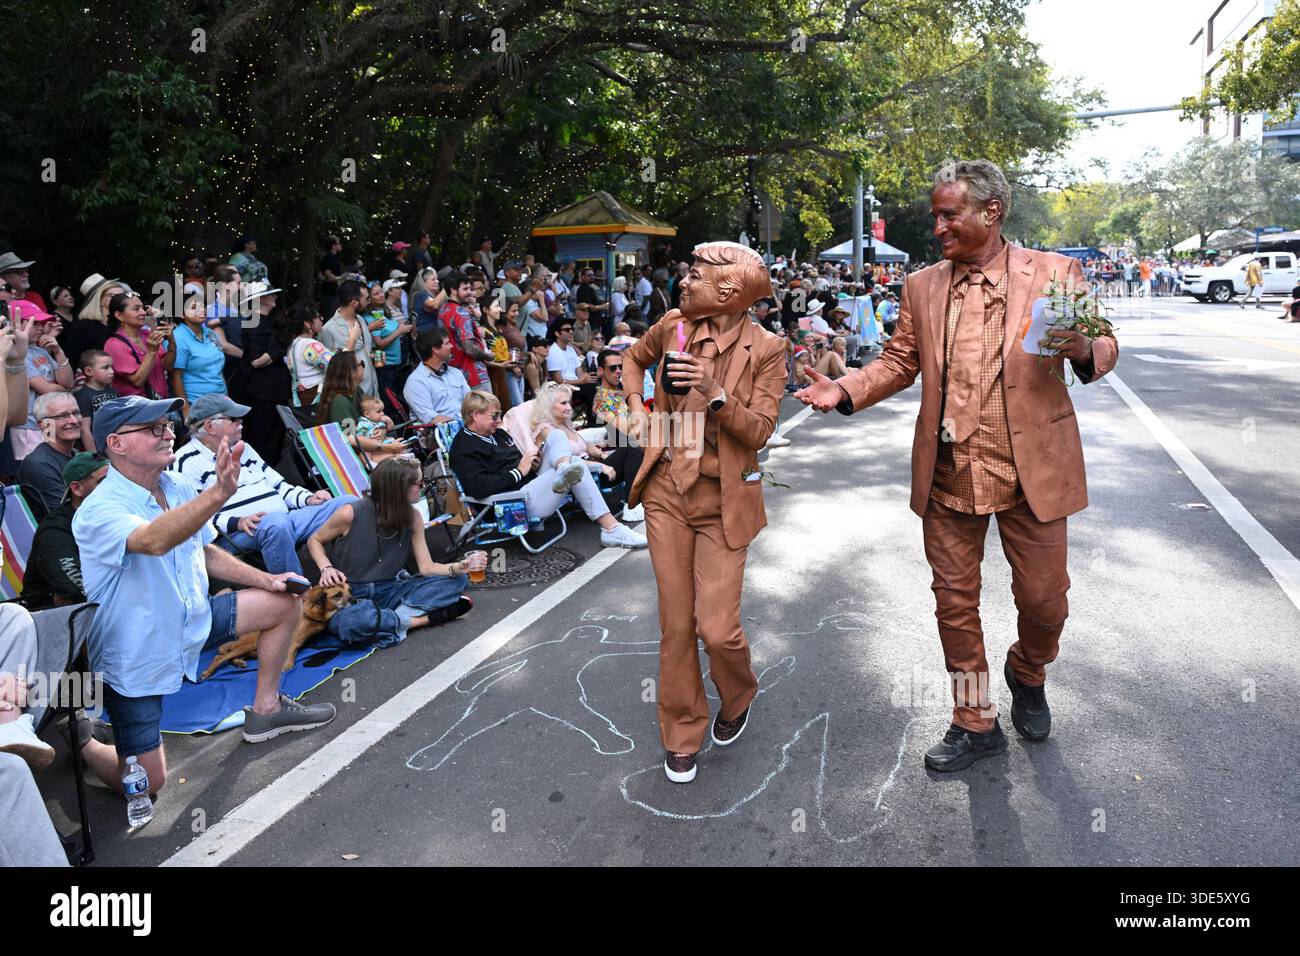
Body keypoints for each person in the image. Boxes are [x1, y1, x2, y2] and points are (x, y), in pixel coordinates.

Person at [796, 158, 1119, 773]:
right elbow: (898, 360)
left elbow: (1106, 343)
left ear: (990, 212)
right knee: (954, 604)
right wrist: (847, 391)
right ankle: (974, 720)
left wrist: (1083, 346)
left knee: (1048, 602)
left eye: (950, 214)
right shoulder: (921, 285)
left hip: (1033, 475)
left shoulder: (1057, 272)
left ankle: (1028, 670)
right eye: (936, 215)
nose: (938, 226)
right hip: (950, 473)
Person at [72, 395, 338, 794]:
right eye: (153, 428)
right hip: (138, 652)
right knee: (147, 783)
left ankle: (267, 709)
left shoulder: (174, 483)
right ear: (116, 444)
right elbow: (154, 540)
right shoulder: (98, 509)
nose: (168, 433)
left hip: (194, 619)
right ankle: (85, 743)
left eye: (166, 425)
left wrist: (265, 581)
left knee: (284, 601)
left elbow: (204, 548)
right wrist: (218, 493)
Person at [620, 240, 788, 784]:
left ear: (729, 292)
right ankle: (681, 732)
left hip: (722, 499)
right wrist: (635, 409)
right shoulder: (672, 325)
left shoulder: (767, 348)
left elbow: (761, 431)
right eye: (688, 273)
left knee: (716, 629)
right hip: (667, 490)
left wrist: (715, 393)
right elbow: (630, 359)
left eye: (695, 275)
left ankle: (737, 695)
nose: (684, 281)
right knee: (675, 623)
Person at [172, 394, 353, 576]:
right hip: (238, 534)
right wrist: (236, 522)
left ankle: (358, 583)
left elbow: (279, 486)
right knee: (276, 523)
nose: (241, 422)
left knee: (349, 504)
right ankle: (296, 596)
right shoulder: (185, 460)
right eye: (234, 419)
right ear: (210, 426)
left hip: (284, 519)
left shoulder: (244, 448)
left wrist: (308, 498)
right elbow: (193, 515)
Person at [448, 390, 646, 548]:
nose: (499, 420)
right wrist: (519, 471)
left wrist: (533, 464)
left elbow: (521, 466)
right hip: (509, 505)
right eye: (494, 415)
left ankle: (564, 470)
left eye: (499, 414)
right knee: (575, 465)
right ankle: (611, 529)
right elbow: (479, 489)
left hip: (528, 488)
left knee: (557, 437)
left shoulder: (497, 435)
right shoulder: (464, 447)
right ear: (475, 415)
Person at [309, 456, 477, 642]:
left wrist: (457, 567)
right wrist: (326, 567)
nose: (423, 486)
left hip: (391, 589)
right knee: (352, 622)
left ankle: (385, 620)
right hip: (349, 593)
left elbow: (426, 567)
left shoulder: (413, 518)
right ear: (399, 488)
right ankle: (420, 620)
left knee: (457, 579)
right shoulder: (350, 513)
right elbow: (315, 540)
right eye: (418, 483)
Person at [19, 451, 108, 609]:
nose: (113, 488)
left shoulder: (115, 516)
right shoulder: (54, 531)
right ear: (77, 488)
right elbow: (73, 589)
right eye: (103, 482)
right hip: (47, 619)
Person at [11, 302, 74, 460]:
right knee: (33, 466)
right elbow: (45, 389)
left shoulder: (39, 351)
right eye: (35, 323)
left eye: (41, 323)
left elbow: (69, 382)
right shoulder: (17, 353)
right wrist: (64, 390)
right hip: (28, 426)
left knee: (52, 461)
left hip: (47, 422)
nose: (41, 327)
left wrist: (58, 351)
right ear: (16, 322)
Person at [317, 351, 405, 464]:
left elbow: (371, 417)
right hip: (354, 456)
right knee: (399, 460)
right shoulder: (339, 403)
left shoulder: (355, 390)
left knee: (402, 454)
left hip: (367, 447)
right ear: (352, 372)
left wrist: (381, 430)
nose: (364, 367)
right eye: (362, 364)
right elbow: (350, 439)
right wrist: (385, 447)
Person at [17, 391, 83, 520]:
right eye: (63, 416)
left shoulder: (77, 455)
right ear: (44, 425)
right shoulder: (39, 465)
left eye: (76, 413)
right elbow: (68, 514)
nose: (74, 420)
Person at [169, 291, 226, 417]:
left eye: (203, 306)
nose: (202, 310)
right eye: (194, 307)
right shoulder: (178, 338)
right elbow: (175, 377)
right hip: (197, 403)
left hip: (221, 399)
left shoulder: (210, 333)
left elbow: (218, 368)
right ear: (181, 314)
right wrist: (185, 409)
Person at [105, 292, 171, 400]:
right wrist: (151, 352)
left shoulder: (147, 335)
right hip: (138, 411)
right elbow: (138, 381)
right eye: (136, 309)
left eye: (142, 308)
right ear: (119, 315)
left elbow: (167, 366)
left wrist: (172, 342)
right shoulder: (114, 344)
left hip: (161, 404)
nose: (143, 312)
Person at [319, 279, 378, 396]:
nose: (369, 301)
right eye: (366, 299)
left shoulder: (360, 319)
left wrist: (372, 357)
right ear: (354, 303)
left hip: (372, 391)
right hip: (351, 395)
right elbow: (328, 367)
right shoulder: (328, 329)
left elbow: (365, 349)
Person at [438, 270, 492, 391]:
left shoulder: (443, 310)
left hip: (454, 375)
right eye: (465, 289)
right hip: (474, 375)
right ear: (453, 290)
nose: (470, 292)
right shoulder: (461, 313)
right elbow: (469, 348)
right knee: (488, 409)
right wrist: (488, 356)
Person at [404, 328, 470, 425]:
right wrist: (463, 426)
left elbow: (471, 402)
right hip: (439, 434)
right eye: (447, 343)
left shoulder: (455, 373)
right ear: (435, 349)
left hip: (466, 427)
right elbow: (430, 418)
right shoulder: (416, 382)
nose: (451, 346)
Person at [281, 301, 339, 407]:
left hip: (303, 397)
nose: (321, 318)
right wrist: (351, 341)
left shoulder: (293, 344)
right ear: (307, 323)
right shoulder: (310, 345)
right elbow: (336, 365)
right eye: (317, 316)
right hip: (316, 397)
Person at [545, 319, 597, 412]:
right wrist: (581, 381)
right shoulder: (552, 352)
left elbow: (580, 373)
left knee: (603, 382)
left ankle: (611, 419)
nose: (571, 332)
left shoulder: (571, 350)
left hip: (578, 386)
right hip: (564, 389)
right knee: (593, 388)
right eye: (567, 330)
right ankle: (593, 419)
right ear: (557, 333)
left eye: (572, 329)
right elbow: (559, 381)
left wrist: (591, 376)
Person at [72, 349, 118, 453]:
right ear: (89, 371)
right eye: (105, 368)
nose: (112, 371)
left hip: (114, 444)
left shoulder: (113, 392)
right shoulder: (83, 395)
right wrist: (94, 456)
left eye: (112, 367)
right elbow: (85, 430)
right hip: (97, 447)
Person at [411, 268, 446, 334]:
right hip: (425, 337)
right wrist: (446, 287)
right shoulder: (421, 295)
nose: (437, 281)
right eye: (433, 279)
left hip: (431, 335)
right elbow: (434, 305)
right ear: (424, 282)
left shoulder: (430, 295)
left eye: (437, 279)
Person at [319, 235, 344, 319]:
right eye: (338, 243)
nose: (340, 245)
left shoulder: (331, 257)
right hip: (330, 294)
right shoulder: (330, 256)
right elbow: (327, 272)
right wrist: (340, 279)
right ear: (333, 246)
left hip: (331, 293)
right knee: (331, 317)